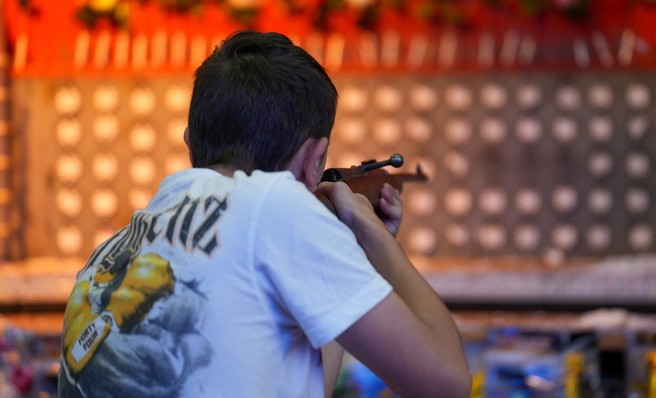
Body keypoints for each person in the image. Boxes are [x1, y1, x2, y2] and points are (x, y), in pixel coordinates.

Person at [58, 30, 471, 398]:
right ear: (314, 160)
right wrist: (375, 238)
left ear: (190, 142)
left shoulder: (114, 248)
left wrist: (347, 251)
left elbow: (302, 384)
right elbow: (446, 385)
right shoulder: (277, 207)